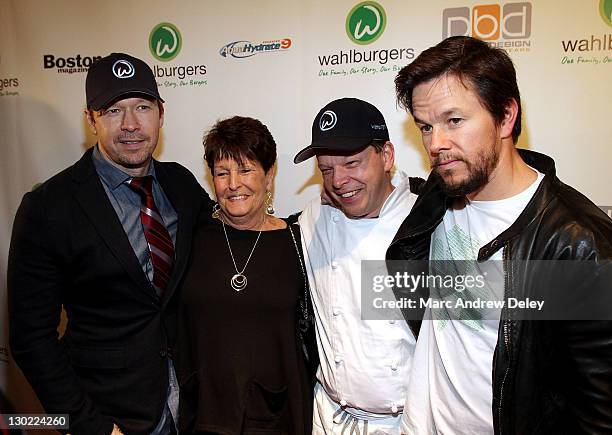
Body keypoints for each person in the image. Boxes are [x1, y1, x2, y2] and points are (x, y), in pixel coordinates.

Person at [388, 36, 612, 434]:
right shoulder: (443, 191)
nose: (436, 144)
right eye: (426, 126)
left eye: (454, 120)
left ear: (506, 116)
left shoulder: (579, 246)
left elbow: (598, 414)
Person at [8, 52, 213, 435]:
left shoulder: (181, 185)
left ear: (161, 113)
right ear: (91, 119)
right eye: (114, 111)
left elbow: (228, 245)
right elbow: (31, 339)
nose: (131, 125)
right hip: (112, 416)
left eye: (142, 107)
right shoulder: (47, 208)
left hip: (193, 408)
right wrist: (90, 426)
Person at [177, 116, 316, 434]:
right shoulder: (191, 236)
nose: (233, 184)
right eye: (222, 173)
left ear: (269, 175)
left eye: (246, 170)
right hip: (204, 417)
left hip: (281, 417)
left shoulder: (298, 240)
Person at [294, 98, 422, 434]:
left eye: (352, 163)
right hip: (328, 416)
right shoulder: (313, 219)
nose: (338, 181)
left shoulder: (427, 224)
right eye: (326, 169)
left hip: (402, 423)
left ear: (387, 156)